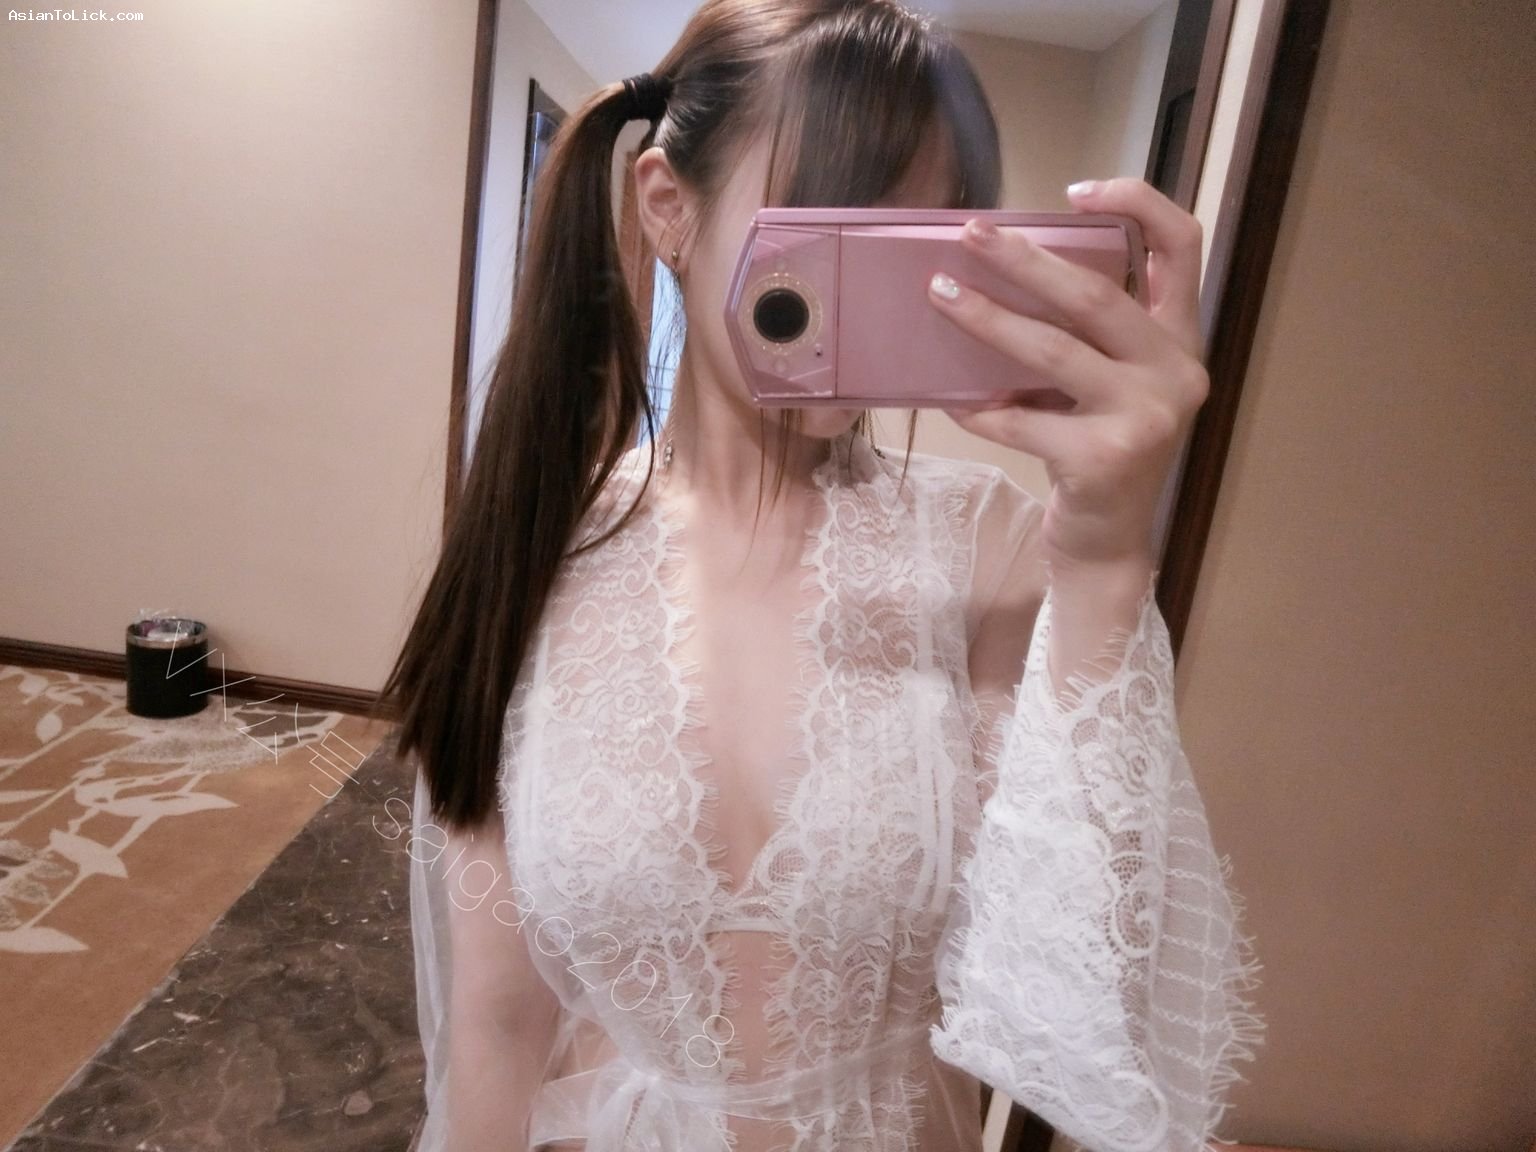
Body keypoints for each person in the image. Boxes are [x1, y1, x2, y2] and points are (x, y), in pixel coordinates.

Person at [376, 1, 1267, 1149]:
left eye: (921, 243)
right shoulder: (535, 556)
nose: (869, 294)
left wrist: (1105, 551)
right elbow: (499, 1029)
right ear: (668, 206)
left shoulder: (993, 550)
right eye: (834, 223)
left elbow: (1084, 1013)